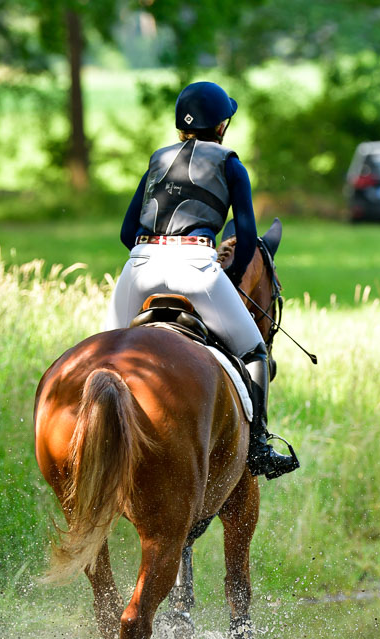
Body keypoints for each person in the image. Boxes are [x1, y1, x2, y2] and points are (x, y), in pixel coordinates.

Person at [105, 81, 298, 480]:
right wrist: (227, 273)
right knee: (255, 351)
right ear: (222, 125)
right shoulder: (230, 163)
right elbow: (245, 238)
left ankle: (100, 441)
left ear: (181, 126)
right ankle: (259, 445)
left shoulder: (157, 161)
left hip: (138, 268)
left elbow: (126, 233)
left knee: (105, 359)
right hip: (195, 268)